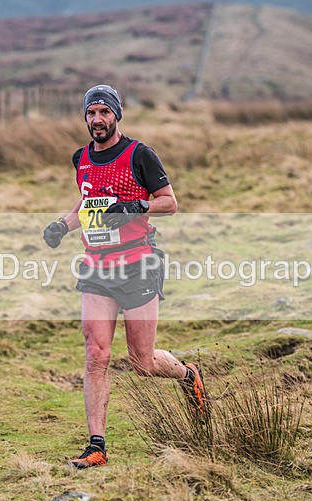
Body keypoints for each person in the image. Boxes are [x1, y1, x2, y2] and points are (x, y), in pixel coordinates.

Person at [42, 84, 209, 469]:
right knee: (96, 353)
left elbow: (170, 202)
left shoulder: (140, 154)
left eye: (104, 112)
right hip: (97, 266)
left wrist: (138, 204)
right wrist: (62, 226)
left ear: (116, 115)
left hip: (138, 264)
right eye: (91, 113)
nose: (97, 120)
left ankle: (187, 375)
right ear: (85, 118)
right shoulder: (80, 157)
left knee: (143, 361)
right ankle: (96, 446)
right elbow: (87, 201)